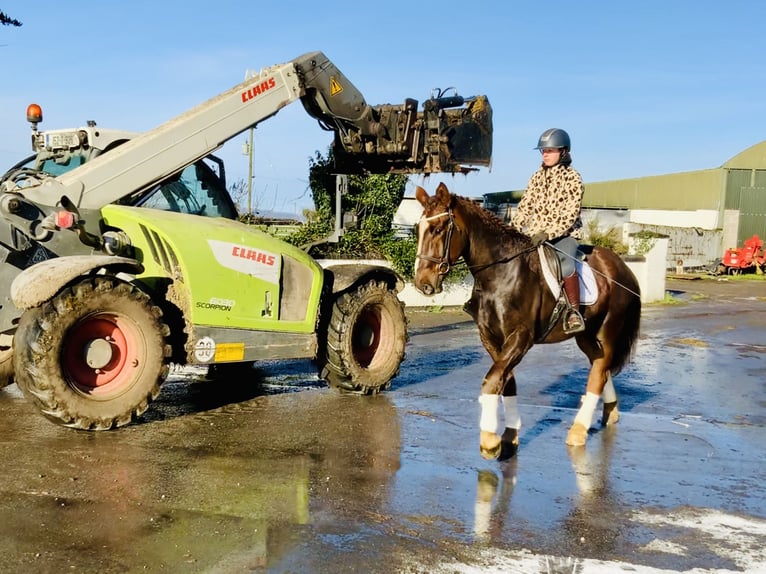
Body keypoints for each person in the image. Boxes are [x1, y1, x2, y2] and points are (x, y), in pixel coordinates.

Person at [511, 128, 585, 334]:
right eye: (543, 150)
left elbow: (570, 215)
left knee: (566, 263)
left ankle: (573, 312)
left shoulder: (573, 178)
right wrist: (512, 231)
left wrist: (548, 234)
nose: (545, 154)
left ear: (563, 152)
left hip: (564, 235)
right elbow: (525, 207)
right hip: (534, 235)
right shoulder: (536, 177)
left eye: (550, 150)